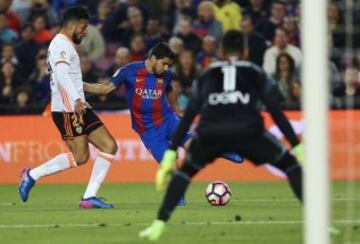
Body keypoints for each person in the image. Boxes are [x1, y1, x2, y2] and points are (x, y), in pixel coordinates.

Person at [139, 30, 304, 241]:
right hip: (248, 132)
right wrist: (296, 145)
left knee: (184, 174)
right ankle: (320, 223)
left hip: (211, 134)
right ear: (245, 51)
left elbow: (187, 116)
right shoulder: (255, 71)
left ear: (221, 51)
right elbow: (275, 110)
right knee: (291, 166)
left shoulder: (208, 72)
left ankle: (159, 224)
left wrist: (171, 153)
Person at [83, 42, 243, 205]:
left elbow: (170, 90)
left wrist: (177, 111)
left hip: (167, 119)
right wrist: (80, 86)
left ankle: (224, 151)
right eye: (164, 63)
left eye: (169, 65)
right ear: (153, 58)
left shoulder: (166, 75)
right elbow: (105, 89)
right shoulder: (130, 71)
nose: (166, 68)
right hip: (148, 129)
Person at [19, 6, 118, 209]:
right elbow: (62, 76)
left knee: (109, 145)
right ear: (72, 24)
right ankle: (32, 174)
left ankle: (89, 196)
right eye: (83, 26)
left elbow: (69, 79)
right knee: (81, 157)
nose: (85, 31)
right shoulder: (60, 45)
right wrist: (76, 100)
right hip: (68, 108)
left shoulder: (64, 45)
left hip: (78, 105)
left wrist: (91, 90)